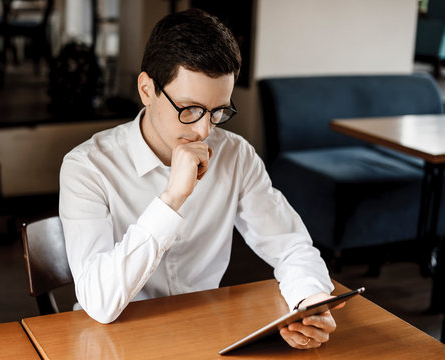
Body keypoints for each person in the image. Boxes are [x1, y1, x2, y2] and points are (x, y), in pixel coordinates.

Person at [60, 8, 337, 349]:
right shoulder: (87, 167)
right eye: (189, 109)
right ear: (147, 90)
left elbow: (291, 246)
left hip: (204, 335)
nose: (204, 130)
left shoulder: (236, 155)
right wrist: (172, 198)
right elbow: (99, 303)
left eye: (218, 111)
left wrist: (309, 300)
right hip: (111, 342)